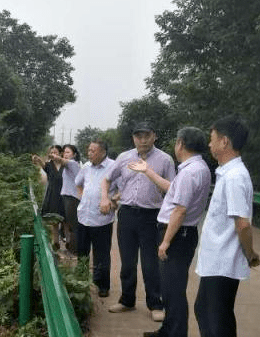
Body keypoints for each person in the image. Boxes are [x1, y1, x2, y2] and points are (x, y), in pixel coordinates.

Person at [184, 115, 260, 337]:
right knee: (203, 308)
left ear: (224, 142)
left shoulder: (235, 178)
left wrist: (250, 254)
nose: (209, 142)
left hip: (226, 260)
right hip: (215, 258)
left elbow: (242, 223)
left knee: (219, 314)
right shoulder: (227, 174)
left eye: (213, 138)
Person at [128, 127, 211, 337]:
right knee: (168, 286)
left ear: (181, 144)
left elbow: (180, 210)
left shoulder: (190, 172)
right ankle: (168, 329)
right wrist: (148, 171)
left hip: (177, 234)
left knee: (174, 290)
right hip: (181, 233)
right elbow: (172, 189)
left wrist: (165, 241)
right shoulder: (195, 168)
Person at [100, 121, 175, 321]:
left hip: (152, 216)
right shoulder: (124, 158)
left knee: (151, 263)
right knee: (127, 261)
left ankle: (155, 304)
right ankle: (127, 300)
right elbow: (106, 179)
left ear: (154, 136)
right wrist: (105, 197)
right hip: (127, 215)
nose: (142, 140)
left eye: (146, 136)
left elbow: (173, 189)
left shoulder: (165, 160)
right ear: (133, 138)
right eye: (138, 136)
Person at [74, 140, 115, 297]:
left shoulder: (113, 167)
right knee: (82, 252)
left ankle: (102, 285)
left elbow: (122, 189)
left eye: (93, 151)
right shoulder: (85, 167)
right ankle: (80, 282)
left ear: (103, 152)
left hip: (102, 219)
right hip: (83, 216)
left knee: (101, 254)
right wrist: (83, 197)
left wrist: (112, 200)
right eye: (89, 150)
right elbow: (78, 183)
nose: (89, 153)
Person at [50, 143, 82, 256]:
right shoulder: (66, 166)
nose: (65, 154)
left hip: (72, 198)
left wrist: (55, 156)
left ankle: (75, 251)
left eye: (68, 152)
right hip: (66, 197)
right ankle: (72, 249)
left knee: (73, 225)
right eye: (64, 152)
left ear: (74, 155)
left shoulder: (72, 163)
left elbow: (62, 161)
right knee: (68, 223)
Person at [32, 145, 65, 250]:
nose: (54, 154)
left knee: (66, 221)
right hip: (53, 194)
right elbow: (42, 163)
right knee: (54, 221)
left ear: (60, 154)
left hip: (65, 195)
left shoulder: (66, 165)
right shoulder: (49, 165)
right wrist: (37, 159)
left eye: (56, 152)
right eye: (52, 153)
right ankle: (55, 243)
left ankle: (69, 243)